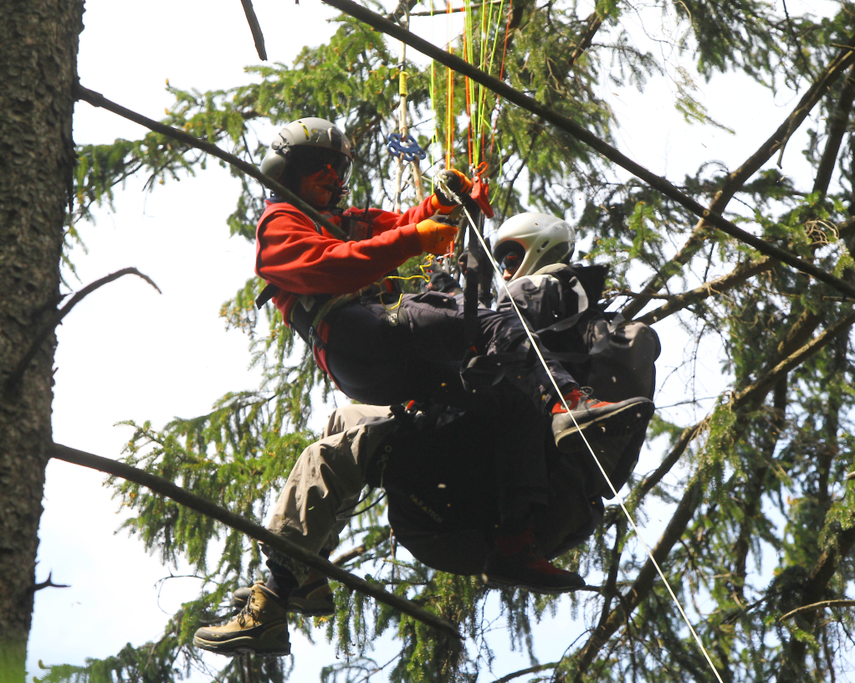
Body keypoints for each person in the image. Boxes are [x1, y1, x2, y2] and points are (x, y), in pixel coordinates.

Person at [192, 119, 654, 655]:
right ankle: (571, 403)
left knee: (476, 404)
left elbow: (407, 222)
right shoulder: (282, 223)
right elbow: (333, 264)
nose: (331, 178)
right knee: (479, 322)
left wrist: (445, 206)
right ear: (287, 174)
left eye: (336, 171)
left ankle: (287, 588)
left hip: (390, 372)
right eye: (318, 171)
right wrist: (415, 239)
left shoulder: (346, 218)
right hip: (357, 337)